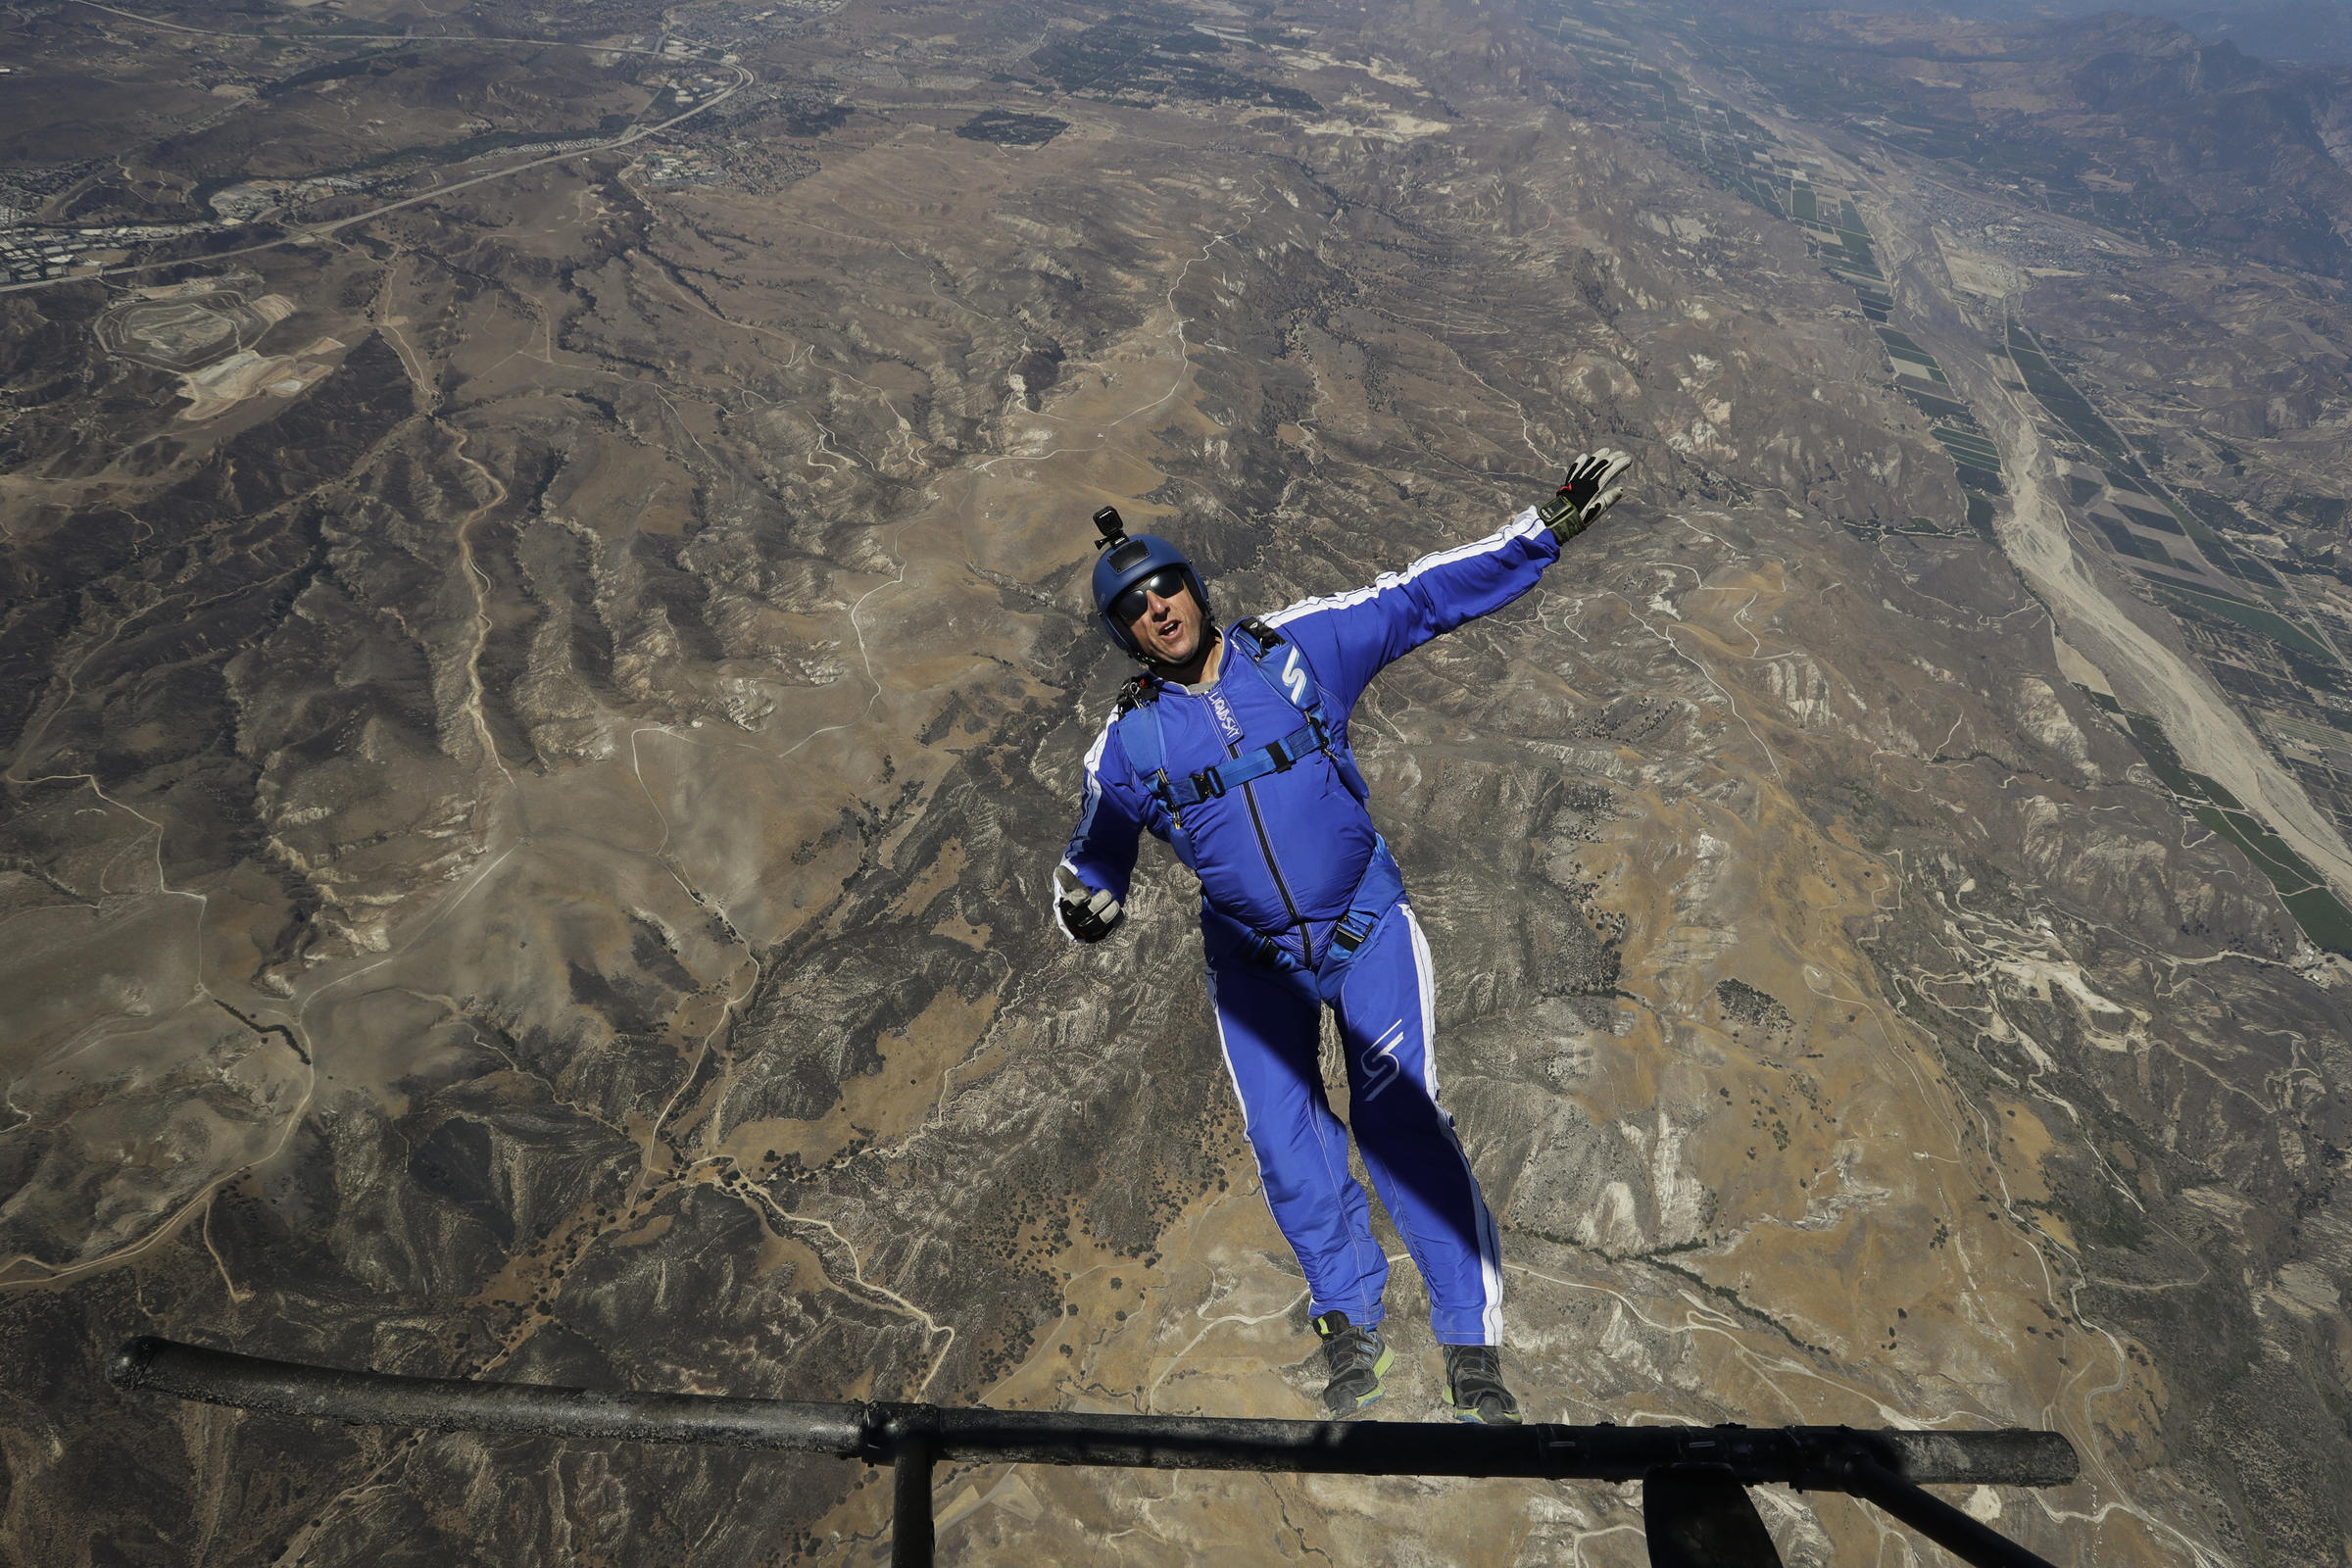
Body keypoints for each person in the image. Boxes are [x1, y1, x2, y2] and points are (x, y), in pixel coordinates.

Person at [1053, 451, 1634, 1424]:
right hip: (1251, 958)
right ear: (1125, 635)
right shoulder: (1129, 743)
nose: (1159, 609)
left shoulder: (1298, 650)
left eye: (1169, 588)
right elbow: (1098, 844)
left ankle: (1470, 1342)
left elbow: (1416, 600)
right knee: (1287, 1143)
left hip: (1365, 926)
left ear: (1196, 588)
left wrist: (1543, 532)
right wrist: (1086, 900)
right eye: (1137, 608)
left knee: (1396, 1116)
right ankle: (1351, 1325)